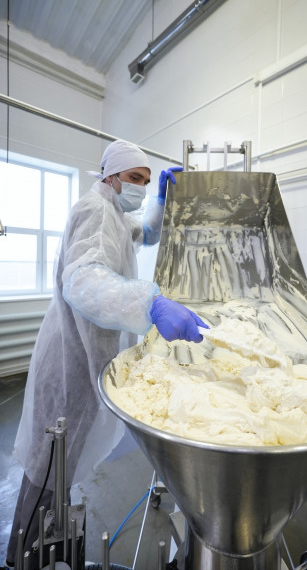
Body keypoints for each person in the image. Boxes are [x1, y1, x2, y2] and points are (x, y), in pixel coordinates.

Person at [5, 139, 208, 568]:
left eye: (146, 181)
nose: (139, 187)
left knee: (62, 467)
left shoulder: (114, 213)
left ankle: (48, 549)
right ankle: (24, 556)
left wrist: (160, 202)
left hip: (84, 357)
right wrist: (150, 304)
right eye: (135, 178)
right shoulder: (94, 211)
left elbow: (145, 232)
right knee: (48, 467)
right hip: (69, 365)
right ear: (110, 176)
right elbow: (83, 280)